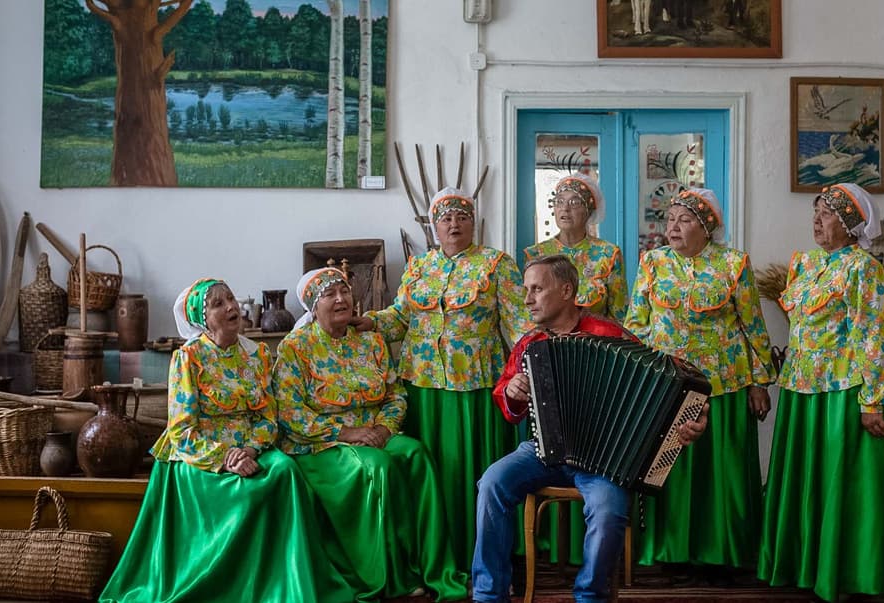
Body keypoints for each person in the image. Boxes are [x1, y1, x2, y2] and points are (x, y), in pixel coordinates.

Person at [100, 278, 356, 603]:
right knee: (247, 494)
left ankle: (289, 582)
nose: (232, 307)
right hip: (200, 456)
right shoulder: (188, 358)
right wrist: (226, 458)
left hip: (252, 447)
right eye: (218, 304)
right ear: (203, 319)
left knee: (286, 471)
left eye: (232, 299)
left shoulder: (257, 354)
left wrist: (249, 449)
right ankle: (238, 586)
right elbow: (181, 431)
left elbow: (268, 417)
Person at [471, 255, 710, 603]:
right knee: (492, 482)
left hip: (602, 462)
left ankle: (590, 596)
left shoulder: (610, 334)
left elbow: (669, 379)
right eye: (526, 290)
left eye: (537, 289)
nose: (527, 299)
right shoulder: (528, 344)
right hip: (541, 451)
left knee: (609, 508)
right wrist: (512, 391)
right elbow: (509, 408)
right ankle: (489, 595)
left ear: (567, 290)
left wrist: (695, 413)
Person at [272, 267, 468, 601]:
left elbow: (395, 395)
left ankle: (433, 569)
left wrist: (382, 428)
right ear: (314, 307)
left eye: (345, 292)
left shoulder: (372, 341)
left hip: (375, 433)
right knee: (379, 466)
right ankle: (392, 576)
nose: (340, 299)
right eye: (330, 294)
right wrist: (347, 433)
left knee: (416, 454)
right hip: (322, 445)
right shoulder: (296, 348)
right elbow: (290, 413)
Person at [359, 187, 532, 565]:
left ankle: (482, 554)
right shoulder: (419, 267)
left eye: (462, 217)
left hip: (474, 386)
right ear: (434, 227)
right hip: (420, 385)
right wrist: (369, 322)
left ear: (474, 223)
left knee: (470, 473)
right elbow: (400, 319)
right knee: (430, 472)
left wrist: (534, 368)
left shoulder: (496, 264)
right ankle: (430, 556)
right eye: (446, 218)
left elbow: (520, 325)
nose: (454, 224)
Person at [758, 183, 884, 601]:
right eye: (816, 212)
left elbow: (874, 337)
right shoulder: (805, 263)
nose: (817, 220)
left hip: (843, 391)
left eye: (827, 214)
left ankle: (842, 571)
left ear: (849, 224)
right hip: (801, 386)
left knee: (836, 482)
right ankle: (802, 564)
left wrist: (872, 401)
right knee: (804, 479)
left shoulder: (864, 268)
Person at [624, 186, 776, 579]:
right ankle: (669, 552)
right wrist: (636, 376)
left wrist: (759, 382)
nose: (673, 227)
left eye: (685, 220)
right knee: (668, 468)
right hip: (666, 385)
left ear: (707, 228)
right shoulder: (652, 263)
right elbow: (637, 324)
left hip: (723, 384)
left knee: (720, 473)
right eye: (670, 219)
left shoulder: (734, 264)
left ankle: (723, 554)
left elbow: (752, 326)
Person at [524, 173, 627, 322]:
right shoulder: (536, 254)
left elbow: (620, 315)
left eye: (574, 202)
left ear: (588, 211)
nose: (565, 208)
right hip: (548, 335)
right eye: (559, 201)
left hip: (596, 335)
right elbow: (528, 314)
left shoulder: (608, 254)